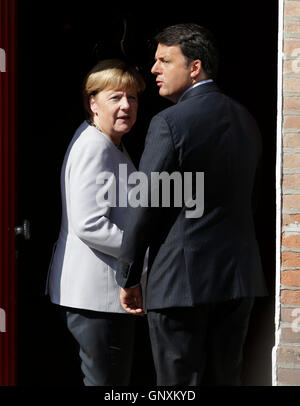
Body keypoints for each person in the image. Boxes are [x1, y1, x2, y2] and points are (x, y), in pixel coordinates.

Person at [116, 23, 268, 385]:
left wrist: (128, 274)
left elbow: (146, 203)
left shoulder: (169, 122)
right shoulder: (247, 120)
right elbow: (255, 201)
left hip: (180, 284)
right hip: (239, 281)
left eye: (164, 60)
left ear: (194, 67)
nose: (154, 69)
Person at [46, 59, 146, 386]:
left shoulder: (110, 143)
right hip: (95, 297)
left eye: (132, 98)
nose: (126, 106)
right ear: (93, 103)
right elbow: (88, 223)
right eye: (115, 97)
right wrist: (140, 254)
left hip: (99, 296)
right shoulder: (95, 147)